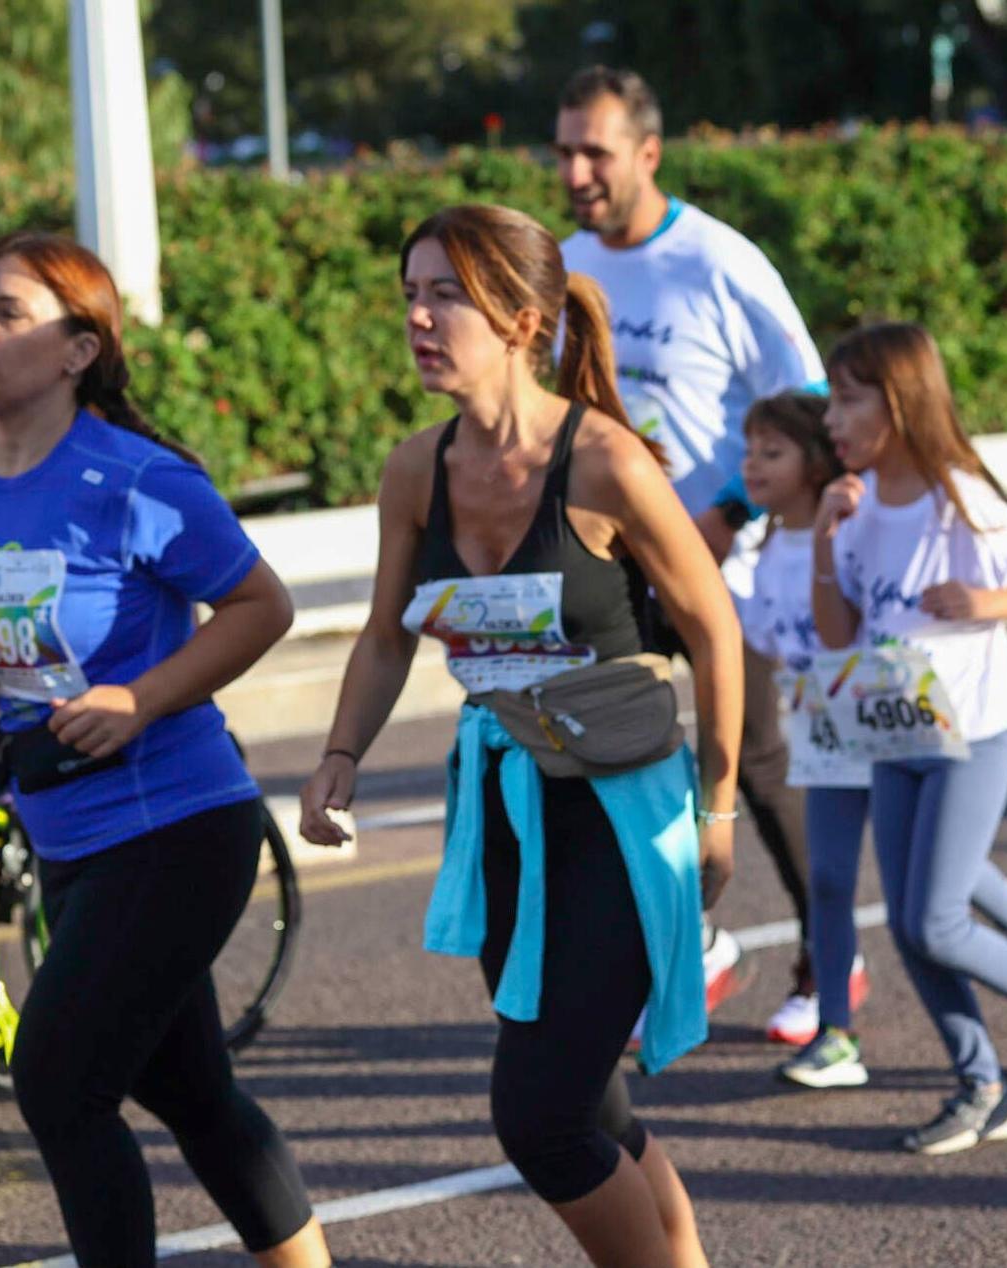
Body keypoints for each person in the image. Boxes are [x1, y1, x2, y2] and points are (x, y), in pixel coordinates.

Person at [301, 203, 738, 1268]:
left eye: (443, 292)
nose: (415, 314)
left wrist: (718, 809)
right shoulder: (415, 470)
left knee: (537, 1113)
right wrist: (338, 755)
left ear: (520, 317)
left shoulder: (605, 464)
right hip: (502, 812)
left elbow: (712, 627)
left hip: (624, 814)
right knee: (589, 1097)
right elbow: (382, 637)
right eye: (409, 291)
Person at [0, 231, 330, 1268]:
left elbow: (261, 604)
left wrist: (139, 697)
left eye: (7, 311)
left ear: (78, 348)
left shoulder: (134, 475)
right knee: (190, 1088)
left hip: (177, 820)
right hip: (63, 833)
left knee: (56, 1078)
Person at [555, 64, 827, 1035]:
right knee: (605, 756)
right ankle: (698, 945)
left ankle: (828, 962)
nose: (577, 169)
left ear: (646, 152)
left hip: (719, 559)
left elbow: (808, 400)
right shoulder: (561, 265)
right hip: (605, 563)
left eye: (596, 149)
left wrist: (726, 508)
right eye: (564, 150)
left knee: (748, 762)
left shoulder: (718, 261)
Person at [812, 320, 1007, 1154]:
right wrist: (823, 540)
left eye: (849, 401)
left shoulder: (960, 499)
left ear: (902, 401)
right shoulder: (859, 504)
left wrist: (985, 603)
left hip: (974, 731)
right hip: (894, 731)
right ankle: (983, 1084)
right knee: (916, 913)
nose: (832, 421)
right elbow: (836, 633)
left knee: (934, 919)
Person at [739, 392, 1007, 1090]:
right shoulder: (773, 541)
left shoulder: (895, 507)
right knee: (833, 879)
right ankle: (839, 1031)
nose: (750, 468)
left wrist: (978, 604)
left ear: (815, 461)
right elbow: (798, 636)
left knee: (938, 887)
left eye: (770, 452)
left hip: (905, 718)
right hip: (831, 727)